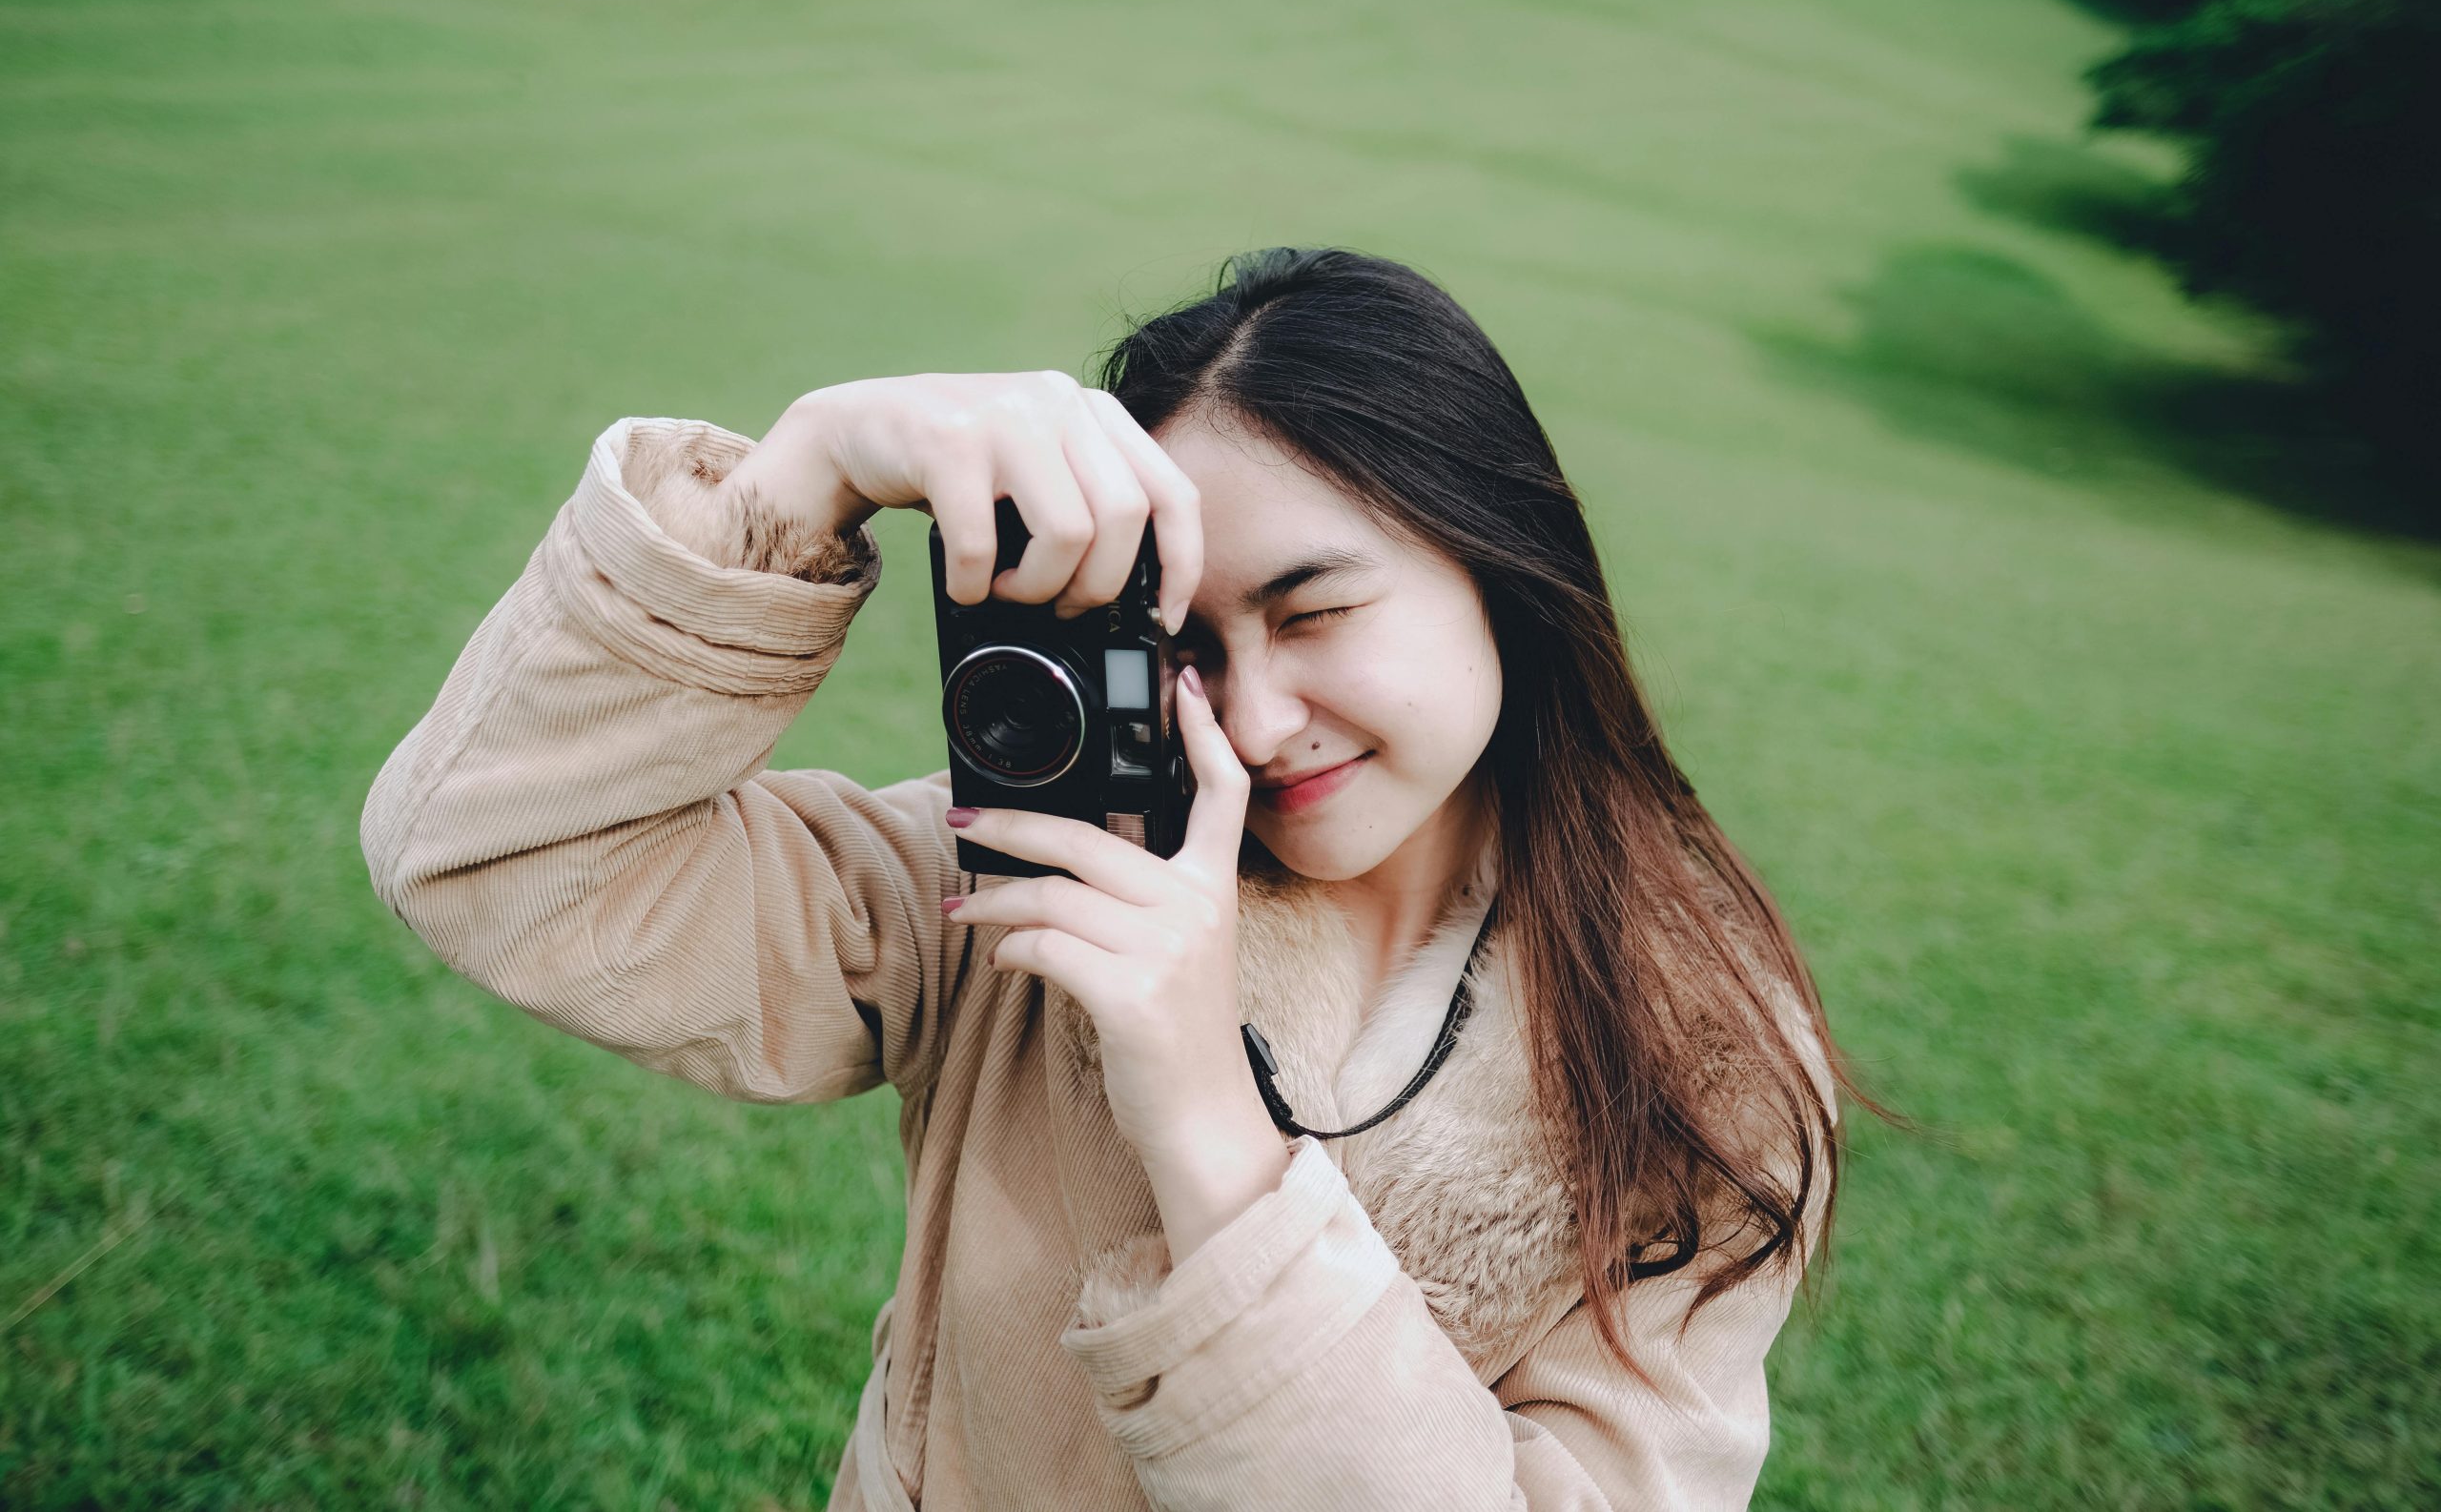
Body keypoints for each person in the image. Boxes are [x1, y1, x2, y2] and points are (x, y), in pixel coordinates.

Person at [361, 245, 1895, 1510]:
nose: (1253, 717)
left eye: (1312, 611)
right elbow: (497, 860)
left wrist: (1208, 1124)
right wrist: (804, 473)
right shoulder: (1032, 883)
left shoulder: (1703, 1058)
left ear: (1501, 566)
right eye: (1186, 648)